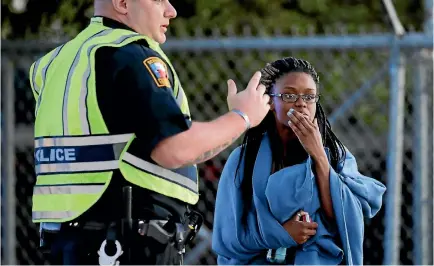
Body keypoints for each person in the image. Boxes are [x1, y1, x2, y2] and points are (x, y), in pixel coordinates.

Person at [29, 0, 270, 264]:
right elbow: (176, 148)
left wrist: (233, 123)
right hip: (125, 242)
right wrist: (243, 117)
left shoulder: (55, 63)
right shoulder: (127, 53)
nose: (171, 10)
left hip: (67, 241)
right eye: (158, 0)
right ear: (122, 3)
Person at [212, 57, 387, 265]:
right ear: (270, 102)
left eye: (309, 96)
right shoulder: (243, 160)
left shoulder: (336, 155)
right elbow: (228, 239)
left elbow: (343, 219)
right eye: (289, 95)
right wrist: (282, 234)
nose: (301, 103)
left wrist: (318, 155)